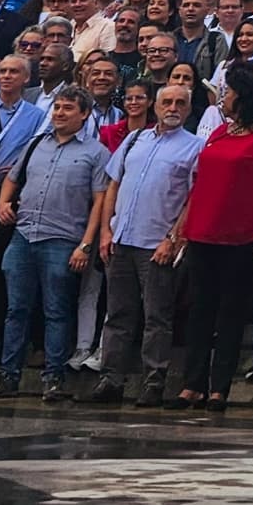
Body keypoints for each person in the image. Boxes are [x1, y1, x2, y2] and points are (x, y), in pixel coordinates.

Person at [169, 65, 253, 410]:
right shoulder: (219, 132)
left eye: (231, 90)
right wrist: (182, 229)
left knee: (230, 314)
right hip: (203, 232)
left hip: (241, 235)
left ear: (245, 95)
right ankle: (192, 384)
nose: (225, 96)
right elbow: (200, 182)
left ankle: (219, 386)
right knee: (199, 311)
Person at [0, 85, 101, 401]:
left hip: (63, 239)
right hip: (23, 235)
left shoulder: (96, 152)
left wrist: (86, 244)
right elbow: (11, 178)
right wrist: (4, 203)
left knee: (57, 311)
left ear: (84, 114)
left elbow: (100, 202)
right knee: (16, 309)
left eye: (67, 109)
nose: (59, 113)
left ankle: (53, 378)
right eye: (57, 107)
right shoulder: (36, 144)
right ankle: (8, 376)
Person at [88, 82, 202, 407]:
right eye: (167, 101)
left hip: (156, 244)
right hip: (122, 238)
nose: (173, 108)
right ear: (155, 106)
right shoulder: (134, 139)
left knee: (157, 317)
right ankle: (110, 379)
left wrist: (173, 239)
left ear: (189, 109)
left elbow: (193, 198)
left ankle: (153, 381)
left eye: (180, 102)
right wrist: (107, 233)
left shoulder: (194, 146)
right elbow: (114, 184)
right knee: (117, 314)